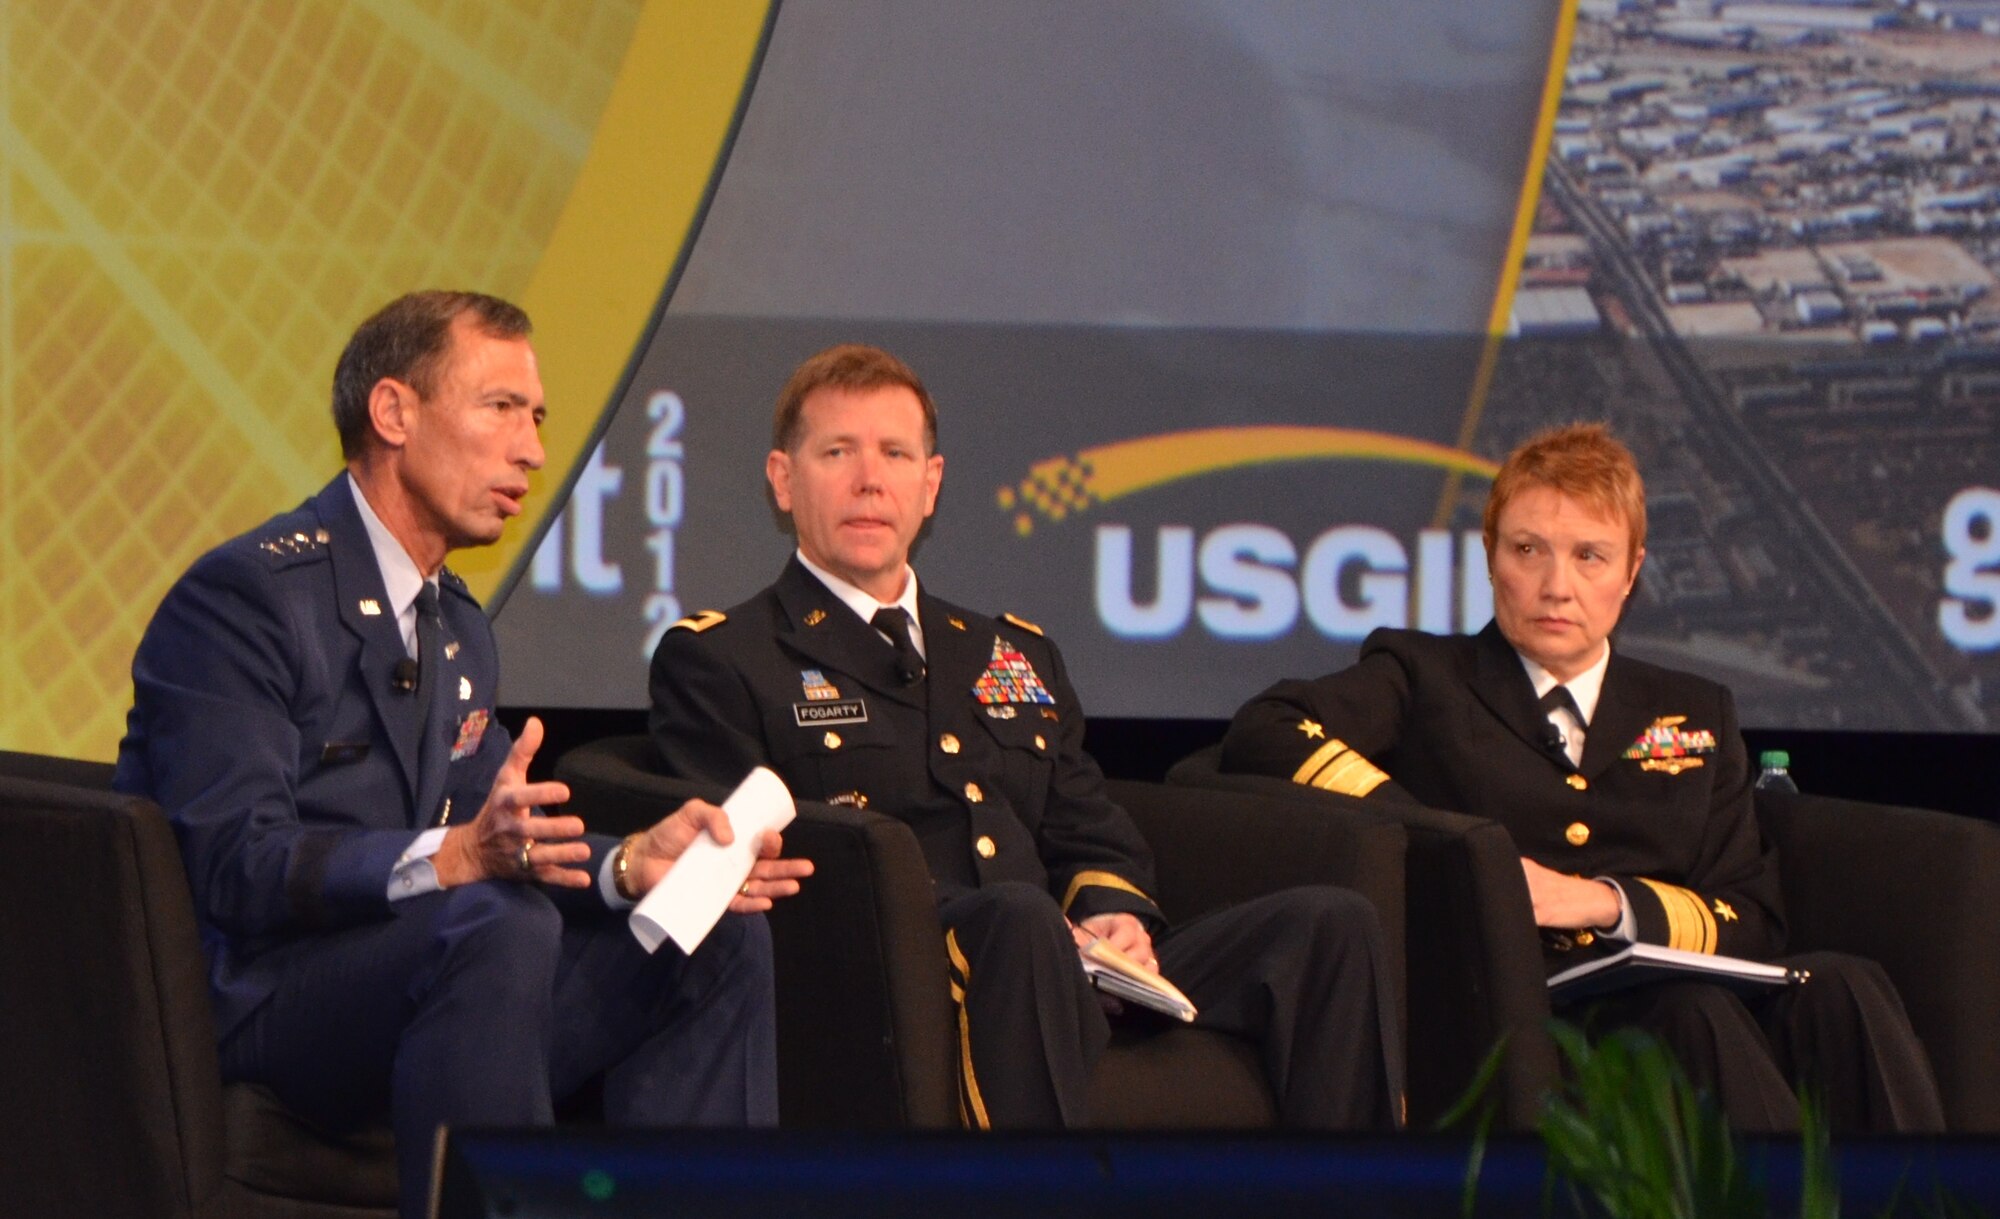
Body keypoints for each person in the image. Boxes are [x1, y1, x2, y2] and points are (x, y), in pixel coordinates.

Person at [115, 291, 812, 1218]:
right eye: (500, 409)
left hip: (439, 971)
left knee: (711, 930)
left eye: (537, 418)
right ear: (395, 413)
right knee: (495, 922)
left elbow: (494, 842)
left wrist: (631, 865)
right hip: (268, 997)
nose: (531, 447)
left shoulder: (459, 628)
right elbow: (238, 864)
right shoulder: (246, 600)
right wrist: (454, 860)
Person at [647, 343, 1400, 1130]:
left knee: (1330, 926)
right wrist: (1036, 929)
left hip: (1066, 957)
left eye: (895, 454)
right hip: (900, 973)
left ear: (930, 485)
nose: (869, 479)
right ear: (783, 478)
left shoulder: (1009, 651)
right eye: (837, 452)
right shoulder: (723, 656)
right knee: (1019, 919)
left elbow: (1088, 827)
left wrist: (1116, 916)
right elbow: (741, 876)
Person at [1220, 422, 1943, 1133]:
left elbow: (1753, 917)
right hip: (1529, 1001)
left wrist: (1601, 902)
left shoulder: (1695, 709)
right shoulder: (1425, 676)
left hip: (1680, 973)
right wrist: (1450, 843)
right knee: (1689, 1013)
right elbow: (1270, 727)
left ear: (1631, 572)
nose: (1555, 585)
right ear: (1491, 556)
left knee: (1845, 985)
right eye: (1528, 549)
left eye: (1590, 556)